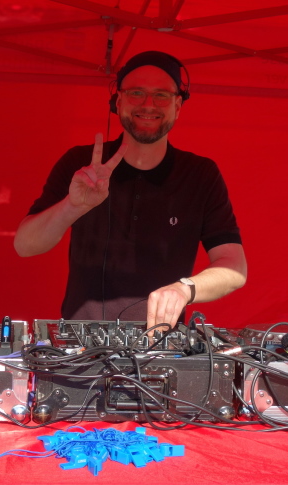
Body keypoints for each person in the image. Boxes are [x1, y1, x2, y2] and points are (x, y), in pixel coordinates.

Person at [14, 51, 247, 329]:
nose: (148, 104)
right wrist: (72, 206)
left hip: (161, 344)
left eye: (161, 95)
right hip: (80, 345)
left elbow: (234, 266)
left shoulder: (200, 174)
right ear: (118, 101)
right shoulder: (81, 164)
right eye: (136, 93)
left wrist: (185, 289)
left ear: (177, 106)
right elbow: (25, 246)